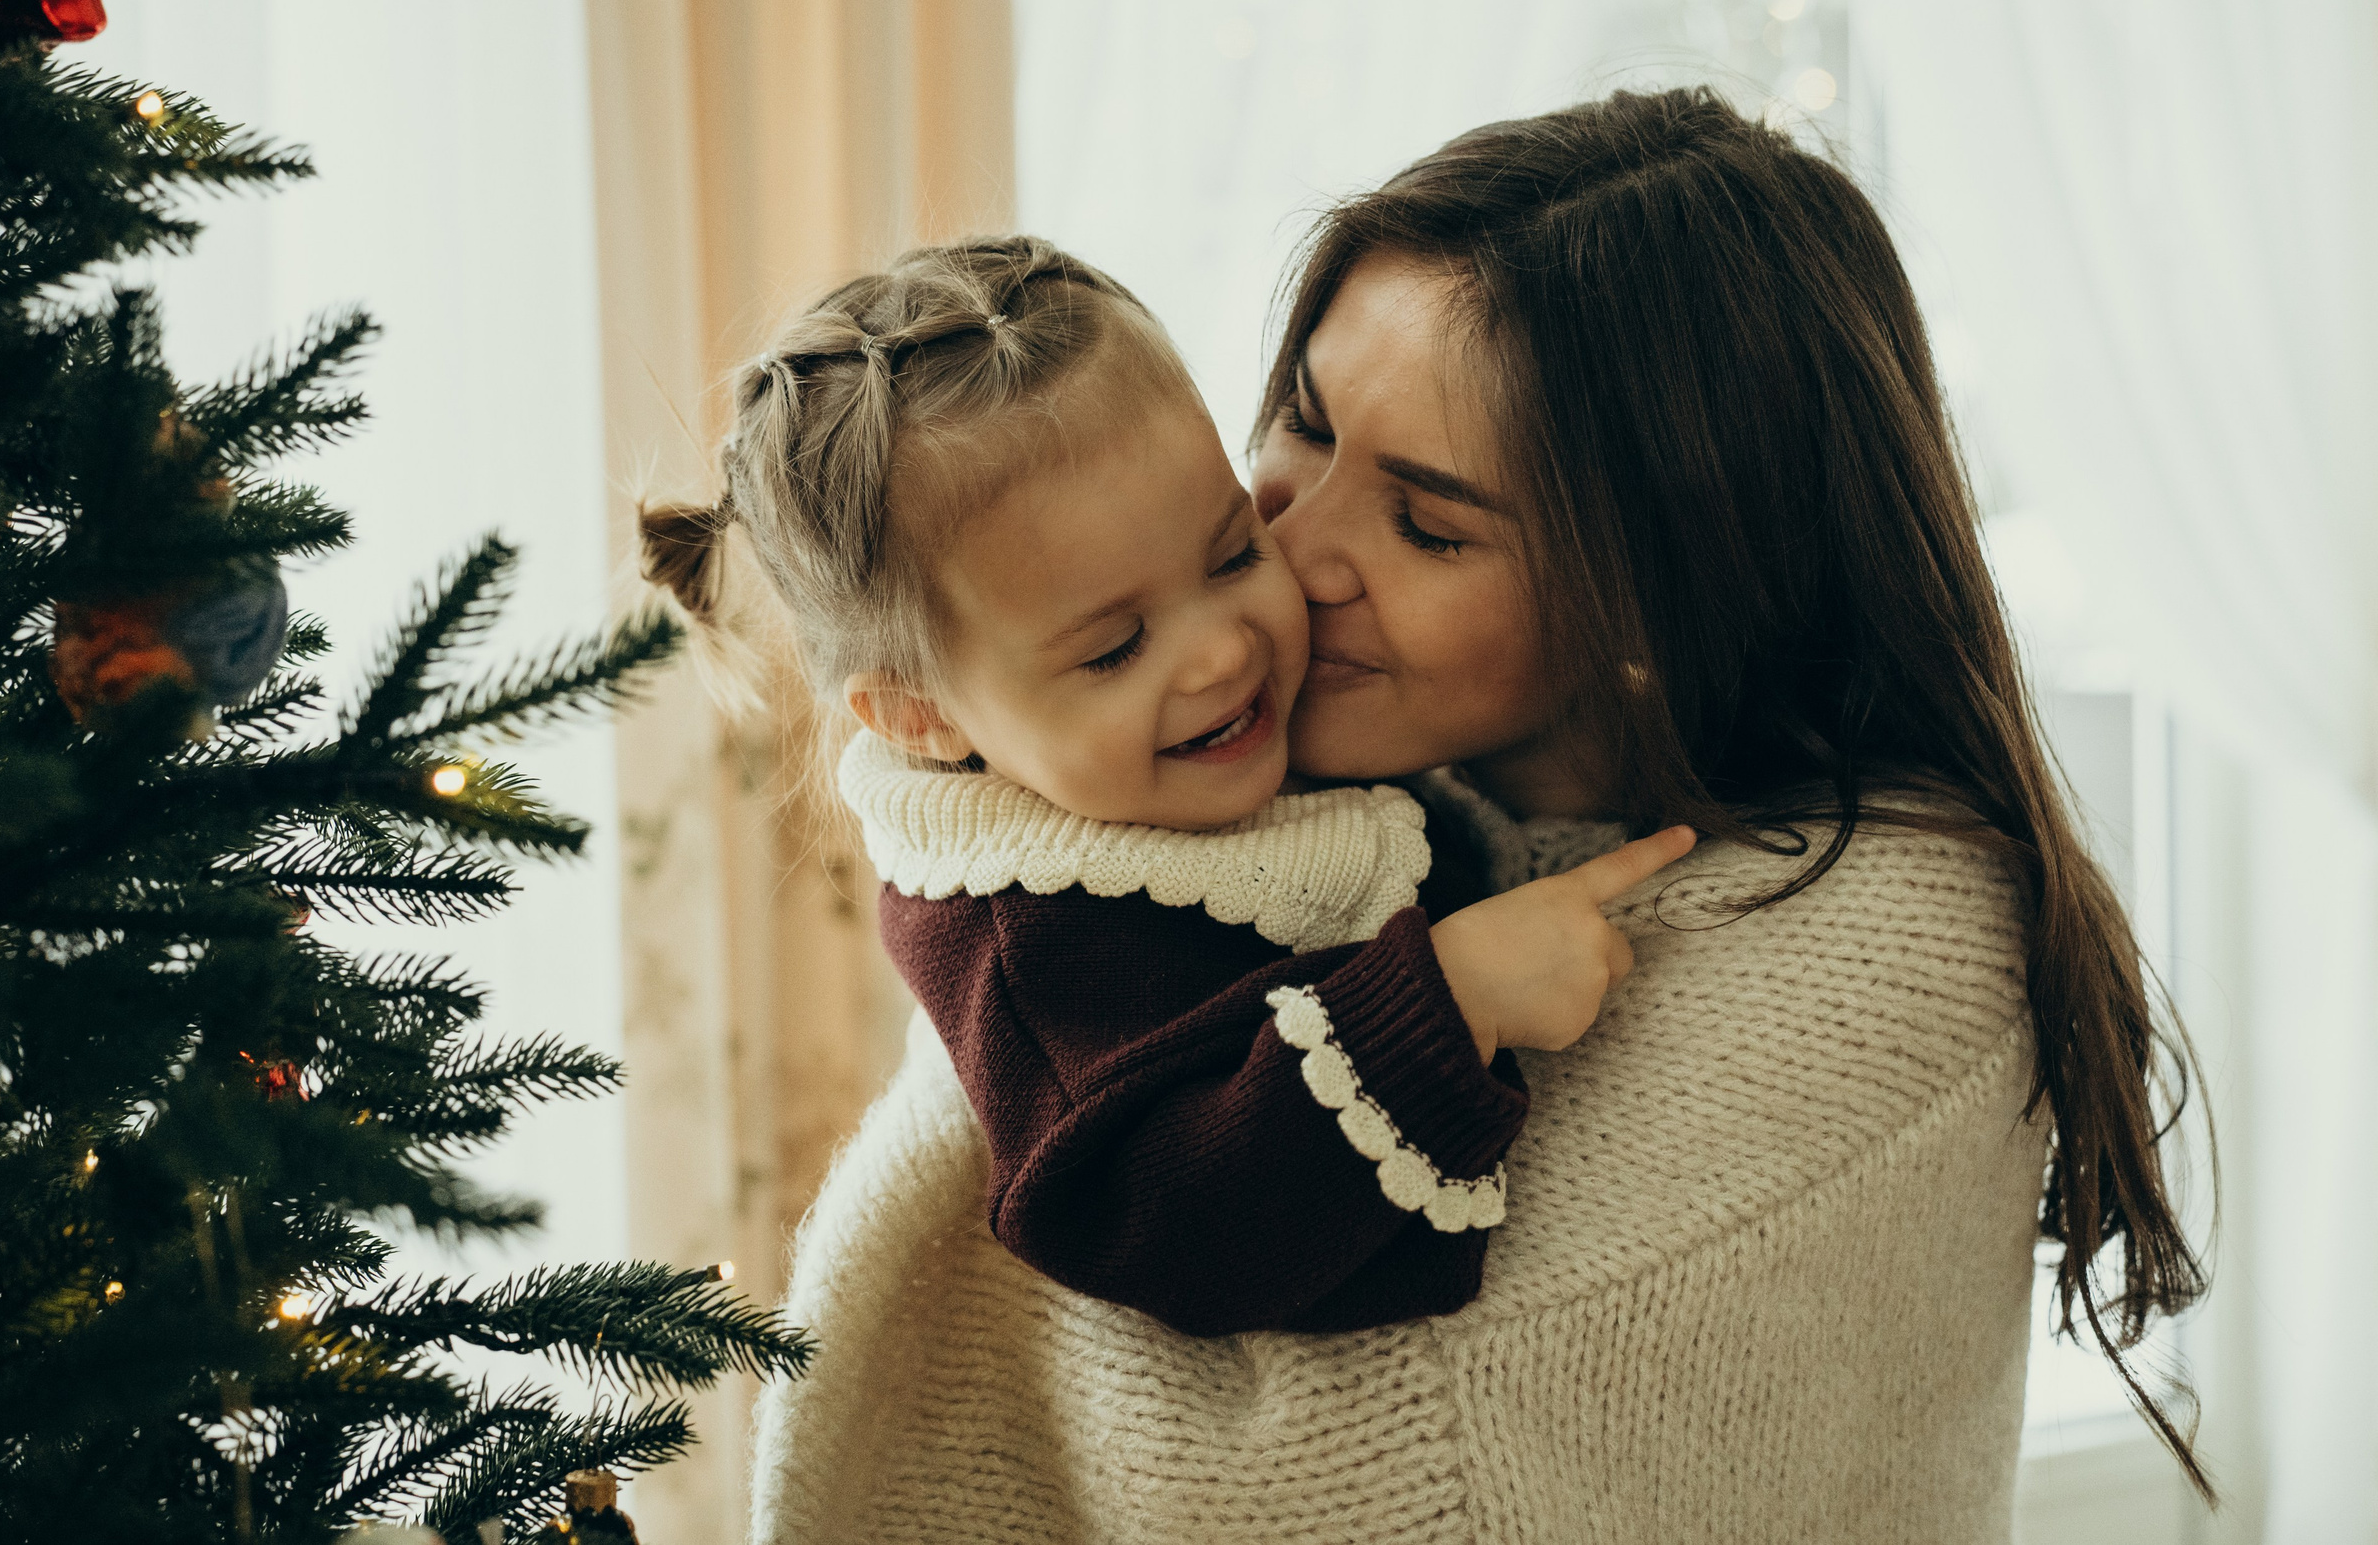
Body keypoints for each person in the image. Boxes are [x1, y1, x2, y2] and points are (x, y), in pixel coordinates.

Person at [747, 90, 2211, 1544]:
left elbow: (1366, 1471)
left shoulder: (1891, 934)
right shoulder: (1181, 830)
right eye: (1303, 429)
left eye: (1428, 523)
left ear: (1661, 602)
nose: (1287, 556)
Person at [641, 234, 1693, 1339]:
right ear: (924, 715)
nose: (1220, 654)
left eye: (1235, 554)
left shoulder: (1213, 764)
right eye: (1112, 648)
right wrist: (1448, 1001)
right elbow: (1154, 1218)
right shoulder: (1033, 940)